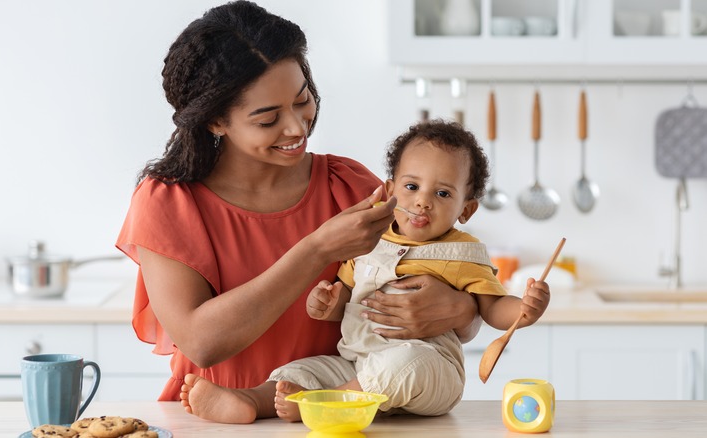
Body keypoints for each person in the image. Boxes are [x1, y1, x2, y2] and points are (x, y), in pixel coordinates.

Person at [115, 0, 481, 406]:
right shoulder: (169, 202)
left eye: (302, 99)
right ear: (216, 121)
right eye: (267, 119)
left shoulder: (351, 186)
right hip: (214, 421)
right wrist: (318, 248)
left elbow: (437, 285)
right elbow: (201, 342)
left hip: (338, 423)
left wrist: (462, 309)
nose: (296, 126)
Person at [179, 119, 552, 423]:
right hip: (355, 362)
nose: (422, 200)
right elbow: (343, 298)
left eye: (442, 194)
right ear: (389, 189)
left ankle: (332, 405)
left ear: (465, 210)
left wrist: (525, 309)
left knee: (406, 364)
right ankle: (251, 401)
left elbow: (492, 309)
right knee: (301, 371)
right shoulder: (369, 236)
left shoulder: (463, 251)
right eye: (411, 186)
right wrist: (325, 302)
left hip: (429, 367)